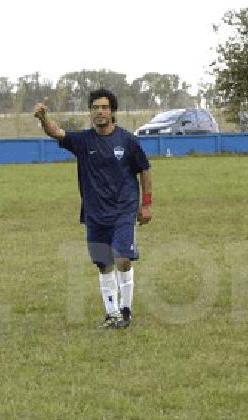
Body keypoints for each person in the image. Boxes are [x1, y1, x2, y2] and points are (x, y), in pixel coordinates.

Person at [34, 89, 152, 329]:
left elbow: (145, 171)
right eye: (95, 108)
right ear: (90, 112)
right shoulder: (83, 141)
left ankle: (126, 310)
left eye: (105, 107)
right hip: (94, 212)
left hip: (123, 210)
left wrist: (146, 204)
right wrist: (43, 118)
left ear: (113, 112)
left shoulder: (127, 141)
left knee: (122, 259)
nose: (100, 112)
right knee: (103, 263)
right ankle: (112, 314)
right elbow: (56, 132)